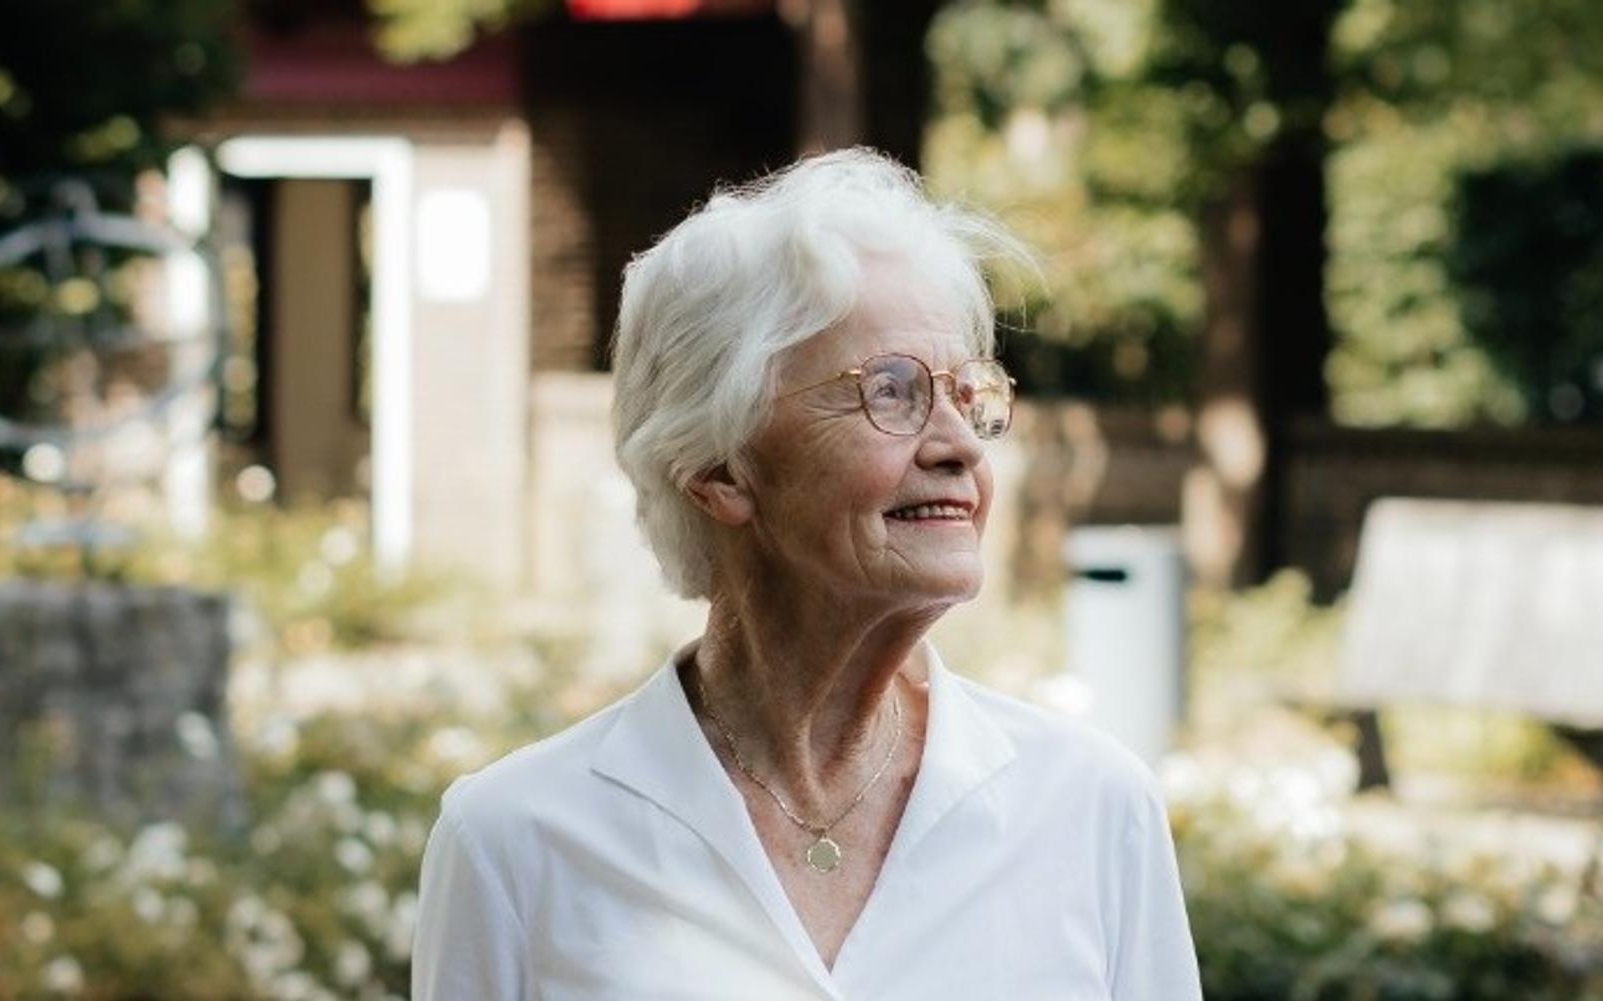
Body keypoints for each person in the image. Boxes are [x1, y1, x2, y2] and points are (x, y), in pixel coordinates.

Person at [412, 148, 1201, 1000]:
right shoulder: (515, 842)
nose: (960, 445)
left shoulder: (1091, 808)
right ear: (718, 468)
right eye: (892, 392)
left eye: (966, 393)